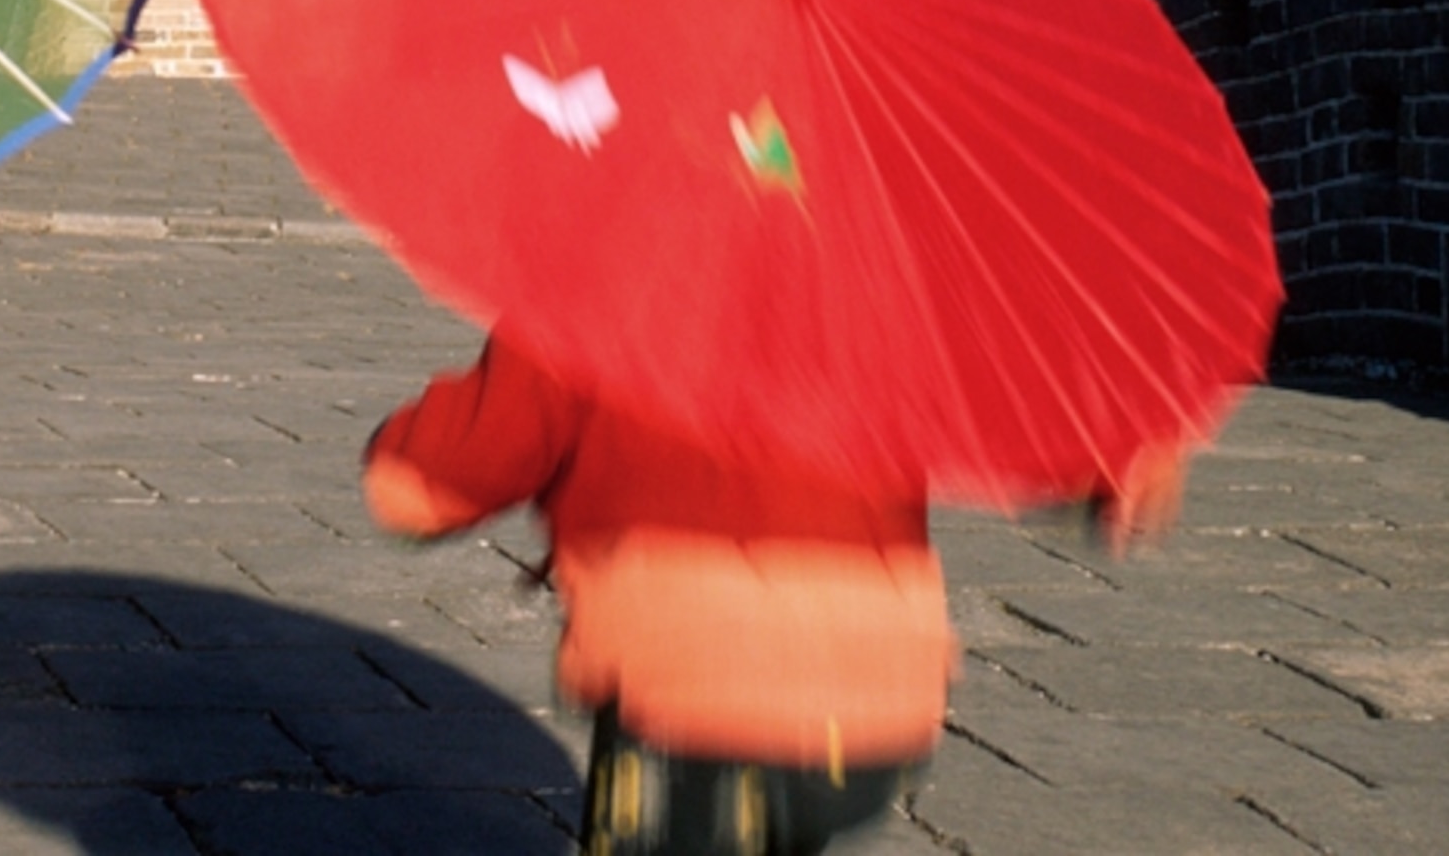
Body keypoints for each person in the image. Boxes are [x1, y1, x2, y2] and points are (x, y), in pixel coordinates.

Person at [363, 331, 1187, 856]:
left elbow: (460, 462)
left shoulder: (599, 287)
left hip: (689, 696)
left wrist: (398, 460)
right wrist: (1121, 454)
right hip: (870, 709)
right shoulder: (895, 278)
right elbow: (1019, 390)